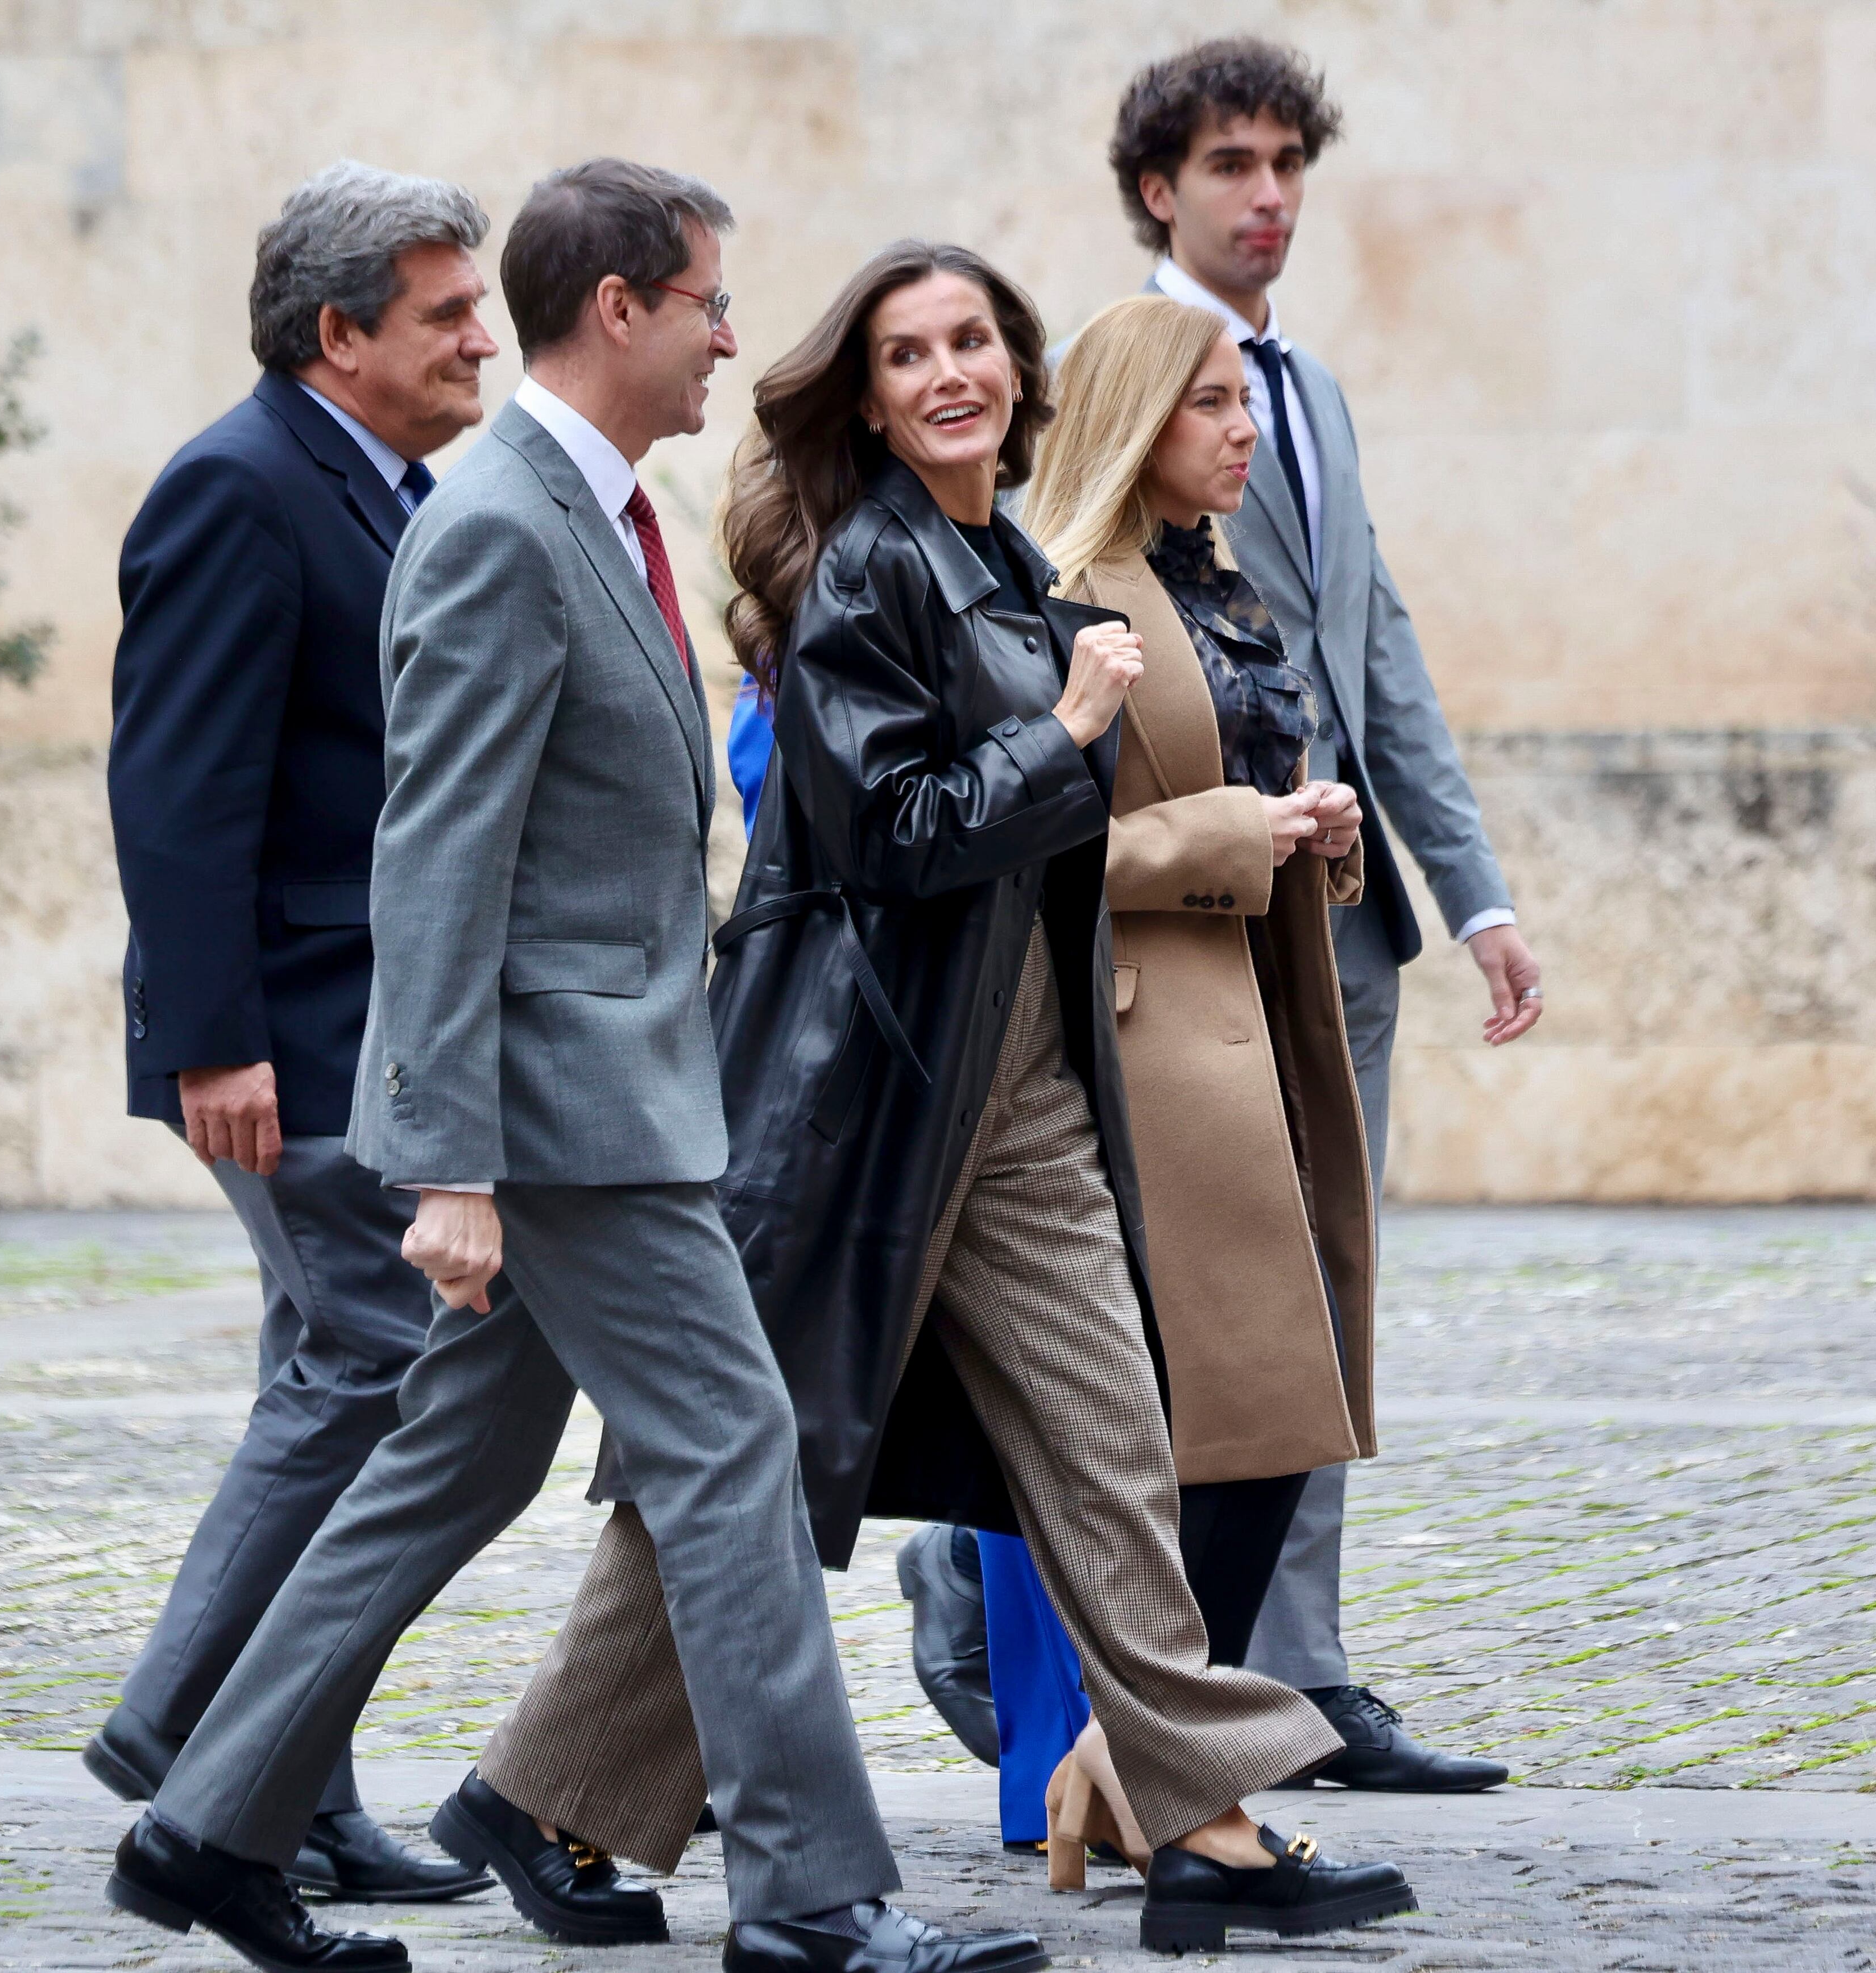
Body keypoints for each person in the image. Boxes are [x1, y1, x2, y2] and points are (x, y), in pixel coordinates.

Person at [102, 162, 1045, 1973]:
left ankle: (206, 1828)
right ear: (618, 306)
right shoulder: (500, 524)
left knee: (446, 1464)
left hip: (598, 1091)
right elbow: (434, 862)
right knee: (736, 1452)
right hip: (562, 1115)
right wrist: (447, 1160)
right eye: (705, 299)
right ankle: (815, 1899)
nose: (728, 335)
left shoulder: (583, 508)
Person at [460, 239, 1420, 1958]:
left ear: (1019, 372)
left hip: (1022, 1083)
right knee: (753, 1462)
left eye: (974, 341)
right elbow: (896, 833)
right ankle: (538, 1787)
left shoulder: (1008, 564)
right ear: (875, 398)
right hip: (869, 1097)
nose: (949, 374)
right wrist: (1065, 733)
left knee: (1111, 1438)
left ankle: (1198, 1824)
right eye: (910, 356)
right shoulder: (866, 578)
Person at [1121, 35, 1538, 1789]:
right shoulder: (1118, 374)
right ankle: (982, 1571)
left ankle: (1302, 1674)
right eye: (1232, 163)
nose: (1270, 195)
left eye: (1290, 160)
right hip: (1195, 930)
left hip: (1348, 923)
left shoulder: (1316, 391)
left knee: (1327, 1299)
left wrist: (1480, 891)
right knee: (1189, 1306)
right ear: (1161, 187)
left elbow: (1380, 648)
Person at [97, 158, 499, 1904]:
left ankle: (295, 1799)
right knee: (381, 1361)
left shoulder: (385, 487)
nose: (482, 336)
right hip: (293, 1033)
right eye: (447, 314)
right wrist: (211, 1041)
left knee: (323, 1363)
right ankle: (183, 1723)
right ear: (340, 335)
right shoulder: (239, 487)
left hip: (350, 1020)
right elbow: (180, 786)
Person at [964, 293, 1386, 1873]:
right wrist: (1230, 842)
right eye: (1209, 401)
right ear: (1140, 417)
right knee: (1226, 1423)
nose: (1243, 424)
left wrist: (1316, 843)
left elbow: (1243, 792)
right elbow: (1038, 839)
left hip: (1255, 1037)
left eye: (1243, 396)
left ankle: (1117, 1762)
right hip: (1146, 1054)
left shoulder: (1222, 589)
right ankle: (1143, 1767)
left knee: (1281, 1419)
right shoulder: (1073, 595)